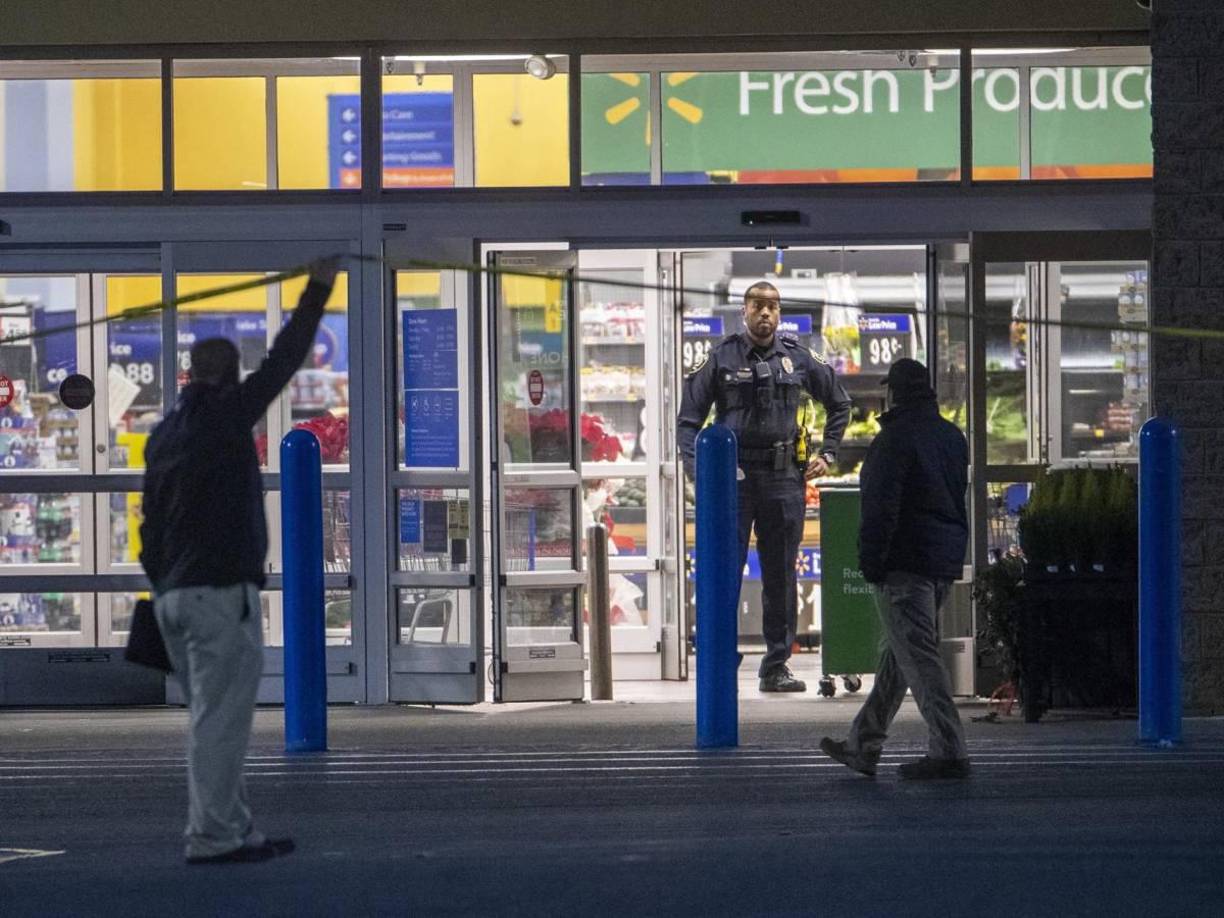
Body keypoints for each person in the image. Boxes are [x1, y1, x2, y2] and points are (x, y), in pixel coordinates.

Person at [139, 258, 340, 863]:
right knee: (220, 725)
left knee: (211, 718)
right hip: (217, 595)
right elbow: (286, 357)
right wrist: (319, 288)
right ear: (230, 378)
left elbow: (148, 525)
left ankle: (231, 825)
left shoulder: (164, 434)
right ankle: (214, 836)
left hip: (174, 595)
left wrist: (163, 583)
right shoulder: (228, 419)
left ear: (189, 377)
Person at [678, 281, 851, 692]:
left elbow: (840, 402)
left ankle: (776, 666)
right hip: (732, 482)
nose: (765, 314)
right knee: (725, 573)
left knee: (780, 577)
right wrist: (699, 473)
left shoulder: (797, 357)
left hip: (782, 479)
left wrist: (827, 453)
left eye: (772, 306)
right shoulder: (720, 357)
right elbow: (688, 422)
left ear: (779, 312)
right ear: (745, 310)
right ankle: (719, 661)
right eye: (758, 306)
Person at [820, 357, 971, 779]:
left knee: (918, 657)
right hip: (940, 561)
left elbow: (880, 508)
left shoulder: (894, 440)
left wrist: (871, 561)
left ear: (894, 392)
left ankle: (949, 749)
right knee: (900, 655)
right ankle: (862, 744)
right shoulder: (950, 436)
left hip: (905, 564)